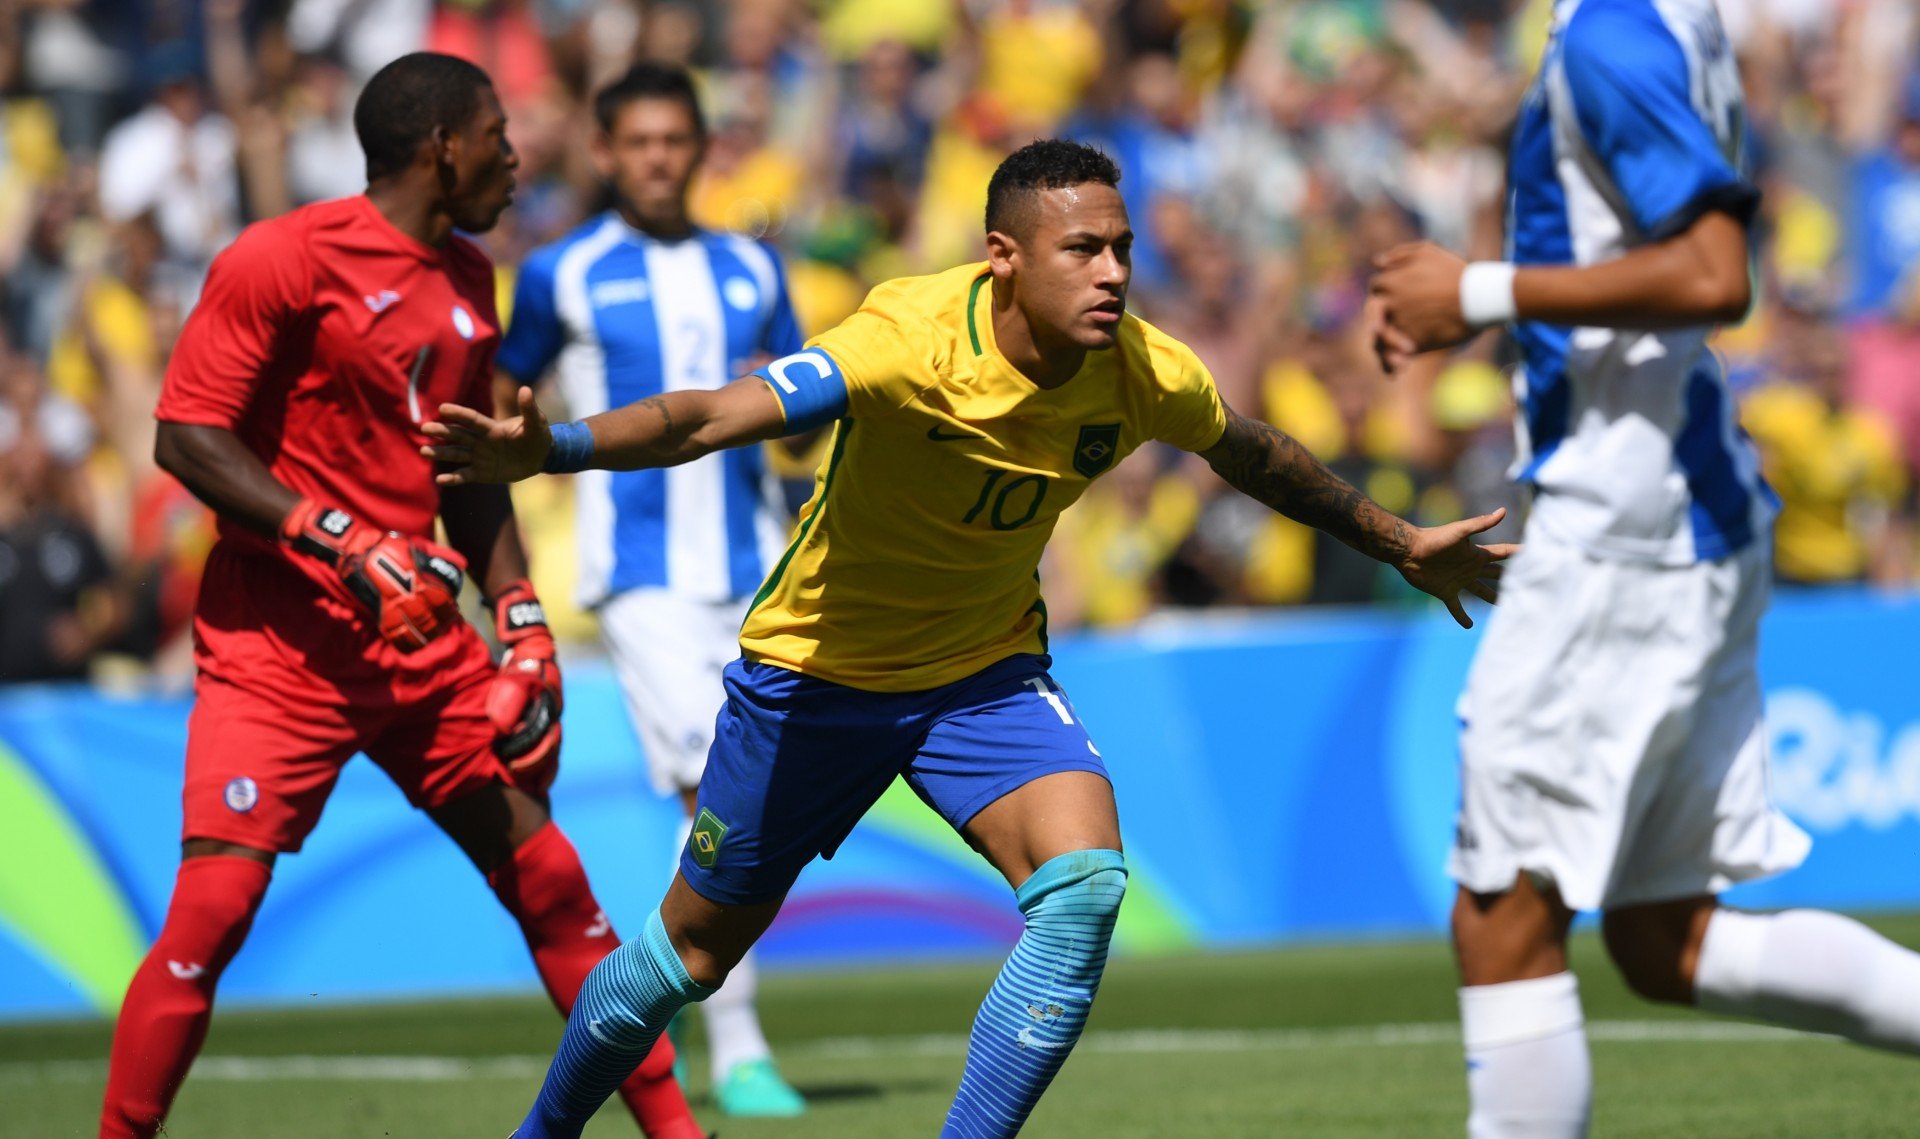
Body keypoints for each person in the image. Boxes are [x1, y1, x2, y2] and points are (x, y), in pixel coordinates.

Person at [428, 138, 1509, 1139]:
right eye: (1083, 249)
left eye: (1122, 248)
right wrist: (555, 448)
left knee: (1083, 888)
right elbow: (712, 415)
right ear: (1003, 257)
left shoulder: (1141, 368)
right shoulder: (906, 338)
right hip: (817, 673)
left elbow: (1259, 452)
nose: (1114, 273)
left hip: (982, 678)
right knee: (687, 957)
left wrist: (1397, 537)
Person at [98, 53, 701, 1139]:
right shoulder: (282, 257)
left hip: (417, 639)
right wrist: (330, 536)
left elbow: (464, 473)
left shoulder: (472, 280)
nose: (517, 159)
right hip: (277, 644)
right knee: (215, 909)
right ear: (442, 149)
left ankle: (679, 1132)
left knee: (555, 883)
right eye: (499, 137)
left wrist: (516, 613)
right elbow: (185, 434)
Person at [1367, 2, 1920, 1135]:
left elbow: (1717, 273)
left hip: (1625, 524)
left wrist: (1476, 292)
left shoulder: (1612, 33)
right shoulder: (1664, 21)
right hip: (1682, 504)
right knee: (1666, 938)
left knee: (1505, 915)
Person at [493, 61, 806, 1118]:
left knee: (761, 797)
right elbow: (507, 398)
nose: (660, 159)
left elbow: (805, 412)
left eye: (677, 140)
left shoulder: (751, 271)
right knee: (711, 791)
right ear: (606, 152)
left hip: (757, 568)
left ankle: (660, 1001)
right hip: (639, 577)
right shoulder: (560, 273)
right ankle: (741, 1042)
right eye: (640, 142)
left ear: (703, 148)